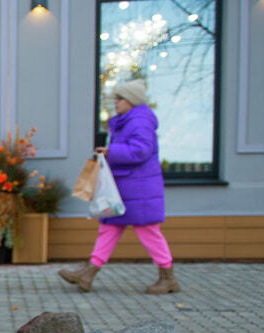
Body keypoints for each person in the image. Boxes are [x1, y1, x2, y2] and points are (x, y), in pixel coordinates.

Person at [59, 80, 180, 294]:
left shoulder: (140, 121)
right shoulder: (128, 121)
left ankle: (168, 277)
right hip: (127, 186)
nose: (115, 102)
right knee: (109, 228)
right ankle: (88, 272)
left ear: (131, 101)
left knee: (148, 231)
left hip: (139, 189)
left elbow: (140, 151)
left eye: (119, 98)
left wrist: (110, 152)